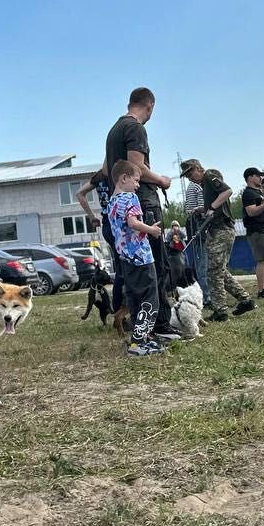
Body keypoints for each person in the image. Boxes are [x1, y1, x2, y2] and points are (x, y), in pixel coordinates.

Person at [103, 88, 172, 331]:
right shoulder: (135, 128)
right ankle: (159, 324)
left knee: (131, 276)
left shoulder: (114, 131)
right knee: (154, 270)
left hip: (119, 209)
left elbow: (105, 171)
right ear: (149, 105)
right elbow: (137, 167)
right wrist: (162, 180)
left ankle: (139, 323)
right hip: (142, 204)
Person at [107, 161, 165, 357]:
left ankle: (140, 337)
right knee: (150, 299)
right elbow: (133, 222)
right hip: (141, 256)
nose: (138, 185)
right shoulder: (130, 197)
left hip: (124, 258)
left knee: (135, 299)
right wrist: (152, 230)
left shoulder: (111, 202)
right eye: (136, 180)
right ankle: (139, 343)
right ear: (124, 178)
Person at [199, 166, 254, 321]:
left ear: (198, 168)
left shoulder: (209, 176)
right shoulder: (206, 186)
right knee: (219, 270)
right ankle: (245, 299)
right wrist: (202, 209)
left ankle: (221, 310)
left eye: (190, 173)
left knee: (213, 271)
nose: (190, 177)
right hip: (221, 229)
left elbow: (227, 191)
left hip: (221, 229)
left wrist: (211, 207)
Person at [76, 169, 122, 312]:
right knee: (127, 269)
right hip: (119, 225)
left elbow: (79, 194)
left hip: (107, 223)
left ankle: (118, 308)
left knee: (120, 268)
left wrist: (91, 216)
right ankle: (123, 309)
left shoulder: (98, 176)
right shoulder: (120, 173)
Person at [242, 168, 264, 296]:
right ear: (250, 178)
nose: (260, 178)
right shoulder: (248, 193)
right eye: (258, 176)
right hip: (257, 230)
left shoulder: (259, 192)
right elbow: (251, 211)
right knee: (262, 260)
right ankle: (261, 290)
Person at [180, 159, 210, 304]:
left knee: (203, 261)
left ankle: (206, 294)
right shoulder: (197, 186)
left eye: (189, 173)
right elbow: (202, 207)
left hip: (194, 222)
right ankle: (206, 297)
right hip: (197, 222)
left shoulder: (195, 185)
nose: (188, 177)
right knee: (202, 262)